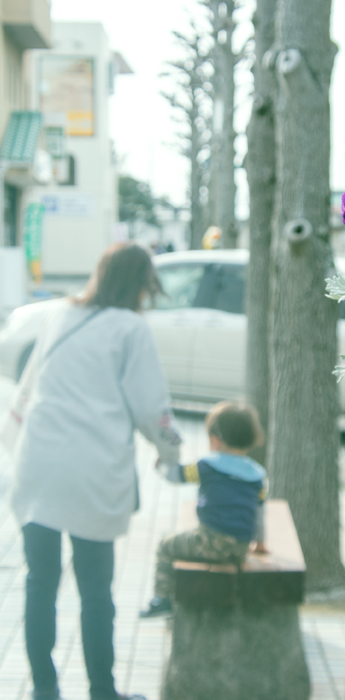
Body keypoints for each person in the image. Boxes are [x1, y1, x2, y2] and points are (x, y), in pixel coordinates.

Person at [9, 243, 182, 700]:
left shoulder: (59, 314)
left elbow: (24, 393)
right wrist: (173, 455)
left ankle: (44, 689)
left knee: (39, 582)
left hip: (38, 464)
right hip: (91, 470)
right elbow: (153, 409)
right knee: (95, 590)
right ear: (141, 283)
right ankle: (103, 692)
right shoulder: (130, 329)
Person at [140, 401, 267, 618]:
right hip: (240, 547)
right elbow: (260, 514)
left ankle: (162, 599)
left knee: (165, 545)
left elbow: (176, 475)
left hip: (209, 541)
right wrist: (260, 542)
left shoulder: (206, 466)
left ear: (214, 440)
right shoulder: (257, 475)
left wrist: (161, 465)